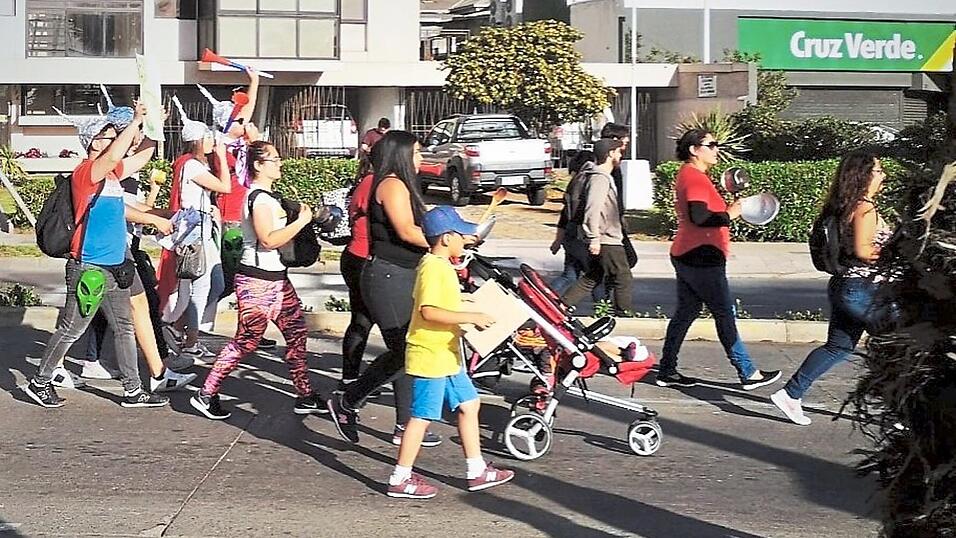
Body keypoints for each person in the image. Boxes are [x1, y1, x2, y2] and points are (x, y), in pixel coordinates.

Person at [24, 102, 170, 408]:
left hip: (116, 265)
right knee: (71, 329)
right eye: (108, 136)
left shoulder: (113, 175)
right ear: (93, 142)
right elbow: (115, 154)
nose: (115, 139)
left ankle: (133, 390)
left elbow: (143, 156)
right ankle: (40, 382)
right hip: (89, 267)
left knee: (124, 328)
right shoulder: (86, 173)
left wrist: (154, 126)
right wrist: (136, 121)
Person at [189, 141, 327, 419]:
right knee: (247, 341)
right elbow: (268, 240)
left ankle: (305, 395)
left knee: (297, 333)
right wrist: (301, 222)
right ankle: (206, 394)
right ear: (258, 165)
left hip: (277, 281)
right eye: (274, 159)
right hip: (256, 282)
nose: (280, 163)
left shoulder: (268, 197)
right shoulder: (260, 199)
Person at [386, 205, 514, 499]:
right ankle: (400, 477)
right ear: (445, 238)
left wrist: (467, 304)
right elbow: (429, 311)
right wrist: (471, 317)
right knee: (421, 417)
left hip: (446, 354)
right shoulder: (434, 268)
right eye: (460, 235)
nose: (464, 240)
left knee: (469, 404)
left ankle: (476, 470)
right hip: (430, 354)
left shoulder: (440, 264)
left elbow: (444, 304)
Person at [327, 130, 441, 448]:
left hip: (403, 274)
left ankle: (404, 425)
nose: (420, 158)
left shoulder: (402, 184)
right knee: (406, 351)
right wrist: (446, 242)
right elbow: (407, 231)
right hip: (387, 276)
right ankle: (348, 400)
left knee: (408, 351)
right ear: (401, 154)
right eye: (416, 152)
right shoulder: (391, 184)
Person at [654, 129, 780, 391]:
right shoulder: (694, 178)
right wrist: (730, 214)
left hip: (688, 252)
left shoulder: (691, 174)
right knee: (724, 312)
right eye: (711, 145)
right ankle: (748, 372)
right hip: (701, 255)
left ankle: (666, 370)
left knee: (686, 312)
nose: (716, 149)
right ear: (694, 150)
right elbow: (700, 217)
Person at [771, 150, 890, 425]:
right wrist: (895, 253)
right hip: (863, 289)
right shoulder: (865, 208)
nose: (883, 175)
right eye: (878, 170)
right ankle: (898, 410)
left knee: (838, 347)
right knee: (897, 344)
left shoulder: (842, 206)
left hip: (844, 286)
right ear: (864, 175)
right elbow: (863, 250)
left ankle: (790, 394)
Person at [157, 98, 230, 364]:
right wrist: (221, 157)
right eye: (208, 138)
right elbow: (225, 187)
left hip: (201, 229)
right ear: (198, 141)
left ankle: (178, 329)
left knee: (215, 284)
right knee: (201, 288)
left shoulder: (192, 164)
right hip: (194, 233)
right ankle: (190, 343)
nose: (212, 142)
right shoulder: (191, 165)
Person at [561, 139, 633, 317]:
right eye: (618, 152)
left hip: (603, 236)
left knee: (593, 276)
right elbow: (592, 209)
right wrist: (594, 238)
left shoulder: (600, 175)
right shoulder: (600, 177)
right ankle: (624, 314)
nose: (620, 156)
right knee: (623, 276)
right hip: (605, 238)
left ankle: (562, 306)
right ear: (610, 154)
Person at [338, 154, 375, 389]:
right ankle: (354, 381)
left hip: (358, 256)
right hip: (363, 258)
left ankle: (350, 379)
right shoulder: (373, 183)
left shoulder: (367, 181)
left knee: (362, 320)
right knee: (367, 322)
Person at [549, 150, 596, 295]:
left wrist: (558, 240)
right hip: (581, 234)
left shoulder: (573, 183)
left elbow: (564, 216)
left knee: (569, 276)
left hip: (570, 233)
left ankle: (545, 298)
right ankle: (603, 306)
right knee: (596, 276)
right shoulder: (589, 181)